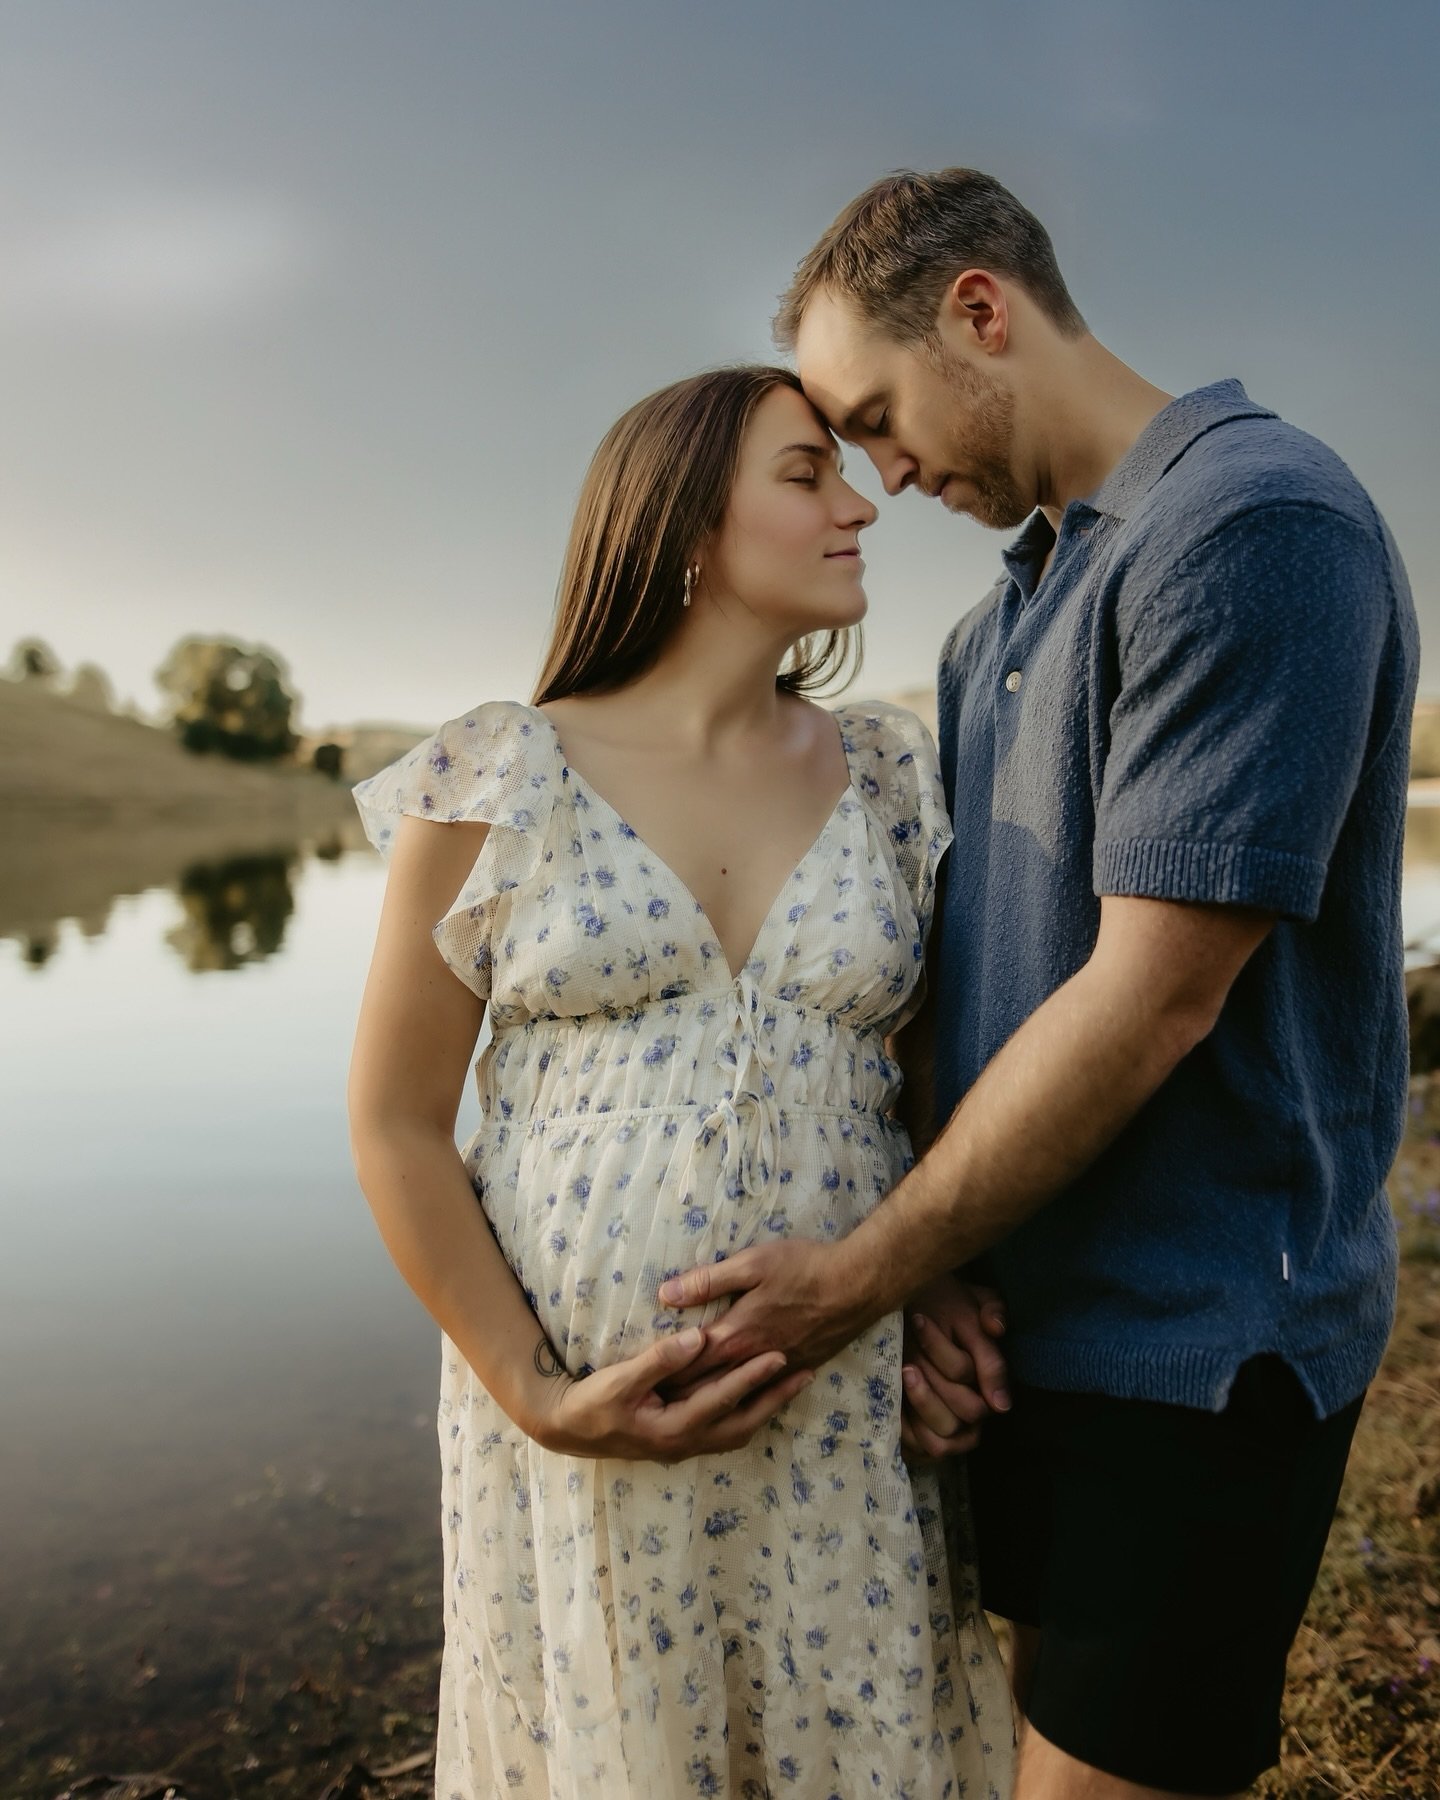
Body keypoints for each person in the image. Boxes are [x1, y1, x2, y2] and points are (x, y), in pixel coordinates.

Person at [656, 170, 1419, 1798]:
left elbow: (1154, 996)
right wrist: (937, 1282)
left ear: (982, 313)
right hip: (1028, 1340)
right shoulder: (994, 620)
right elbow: (980, 984)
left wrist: (851, 1281)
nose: (880, 473)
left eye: (876, 414)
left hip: (1201, 1344)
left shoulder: (1255, 521)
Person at [347, 364, 1016, 1800]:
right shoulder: (497, 776)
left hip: (844, 1408)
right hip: (589, 1439)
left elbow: (926, 1096)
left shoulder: (896, 776)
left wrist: (938, 1280)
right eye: (805, 475)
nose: (859, 507)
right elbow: (397, 1123)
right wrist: (534, 1393)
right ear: (684, 527)